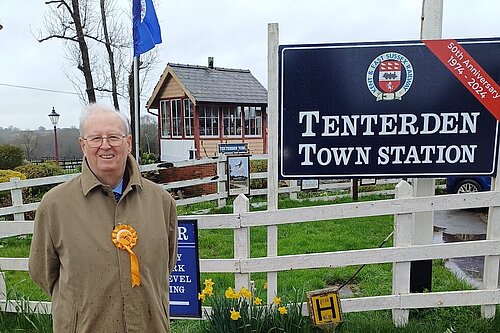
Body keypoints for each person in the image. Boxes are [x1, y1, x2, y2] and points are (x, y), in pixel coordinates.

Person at [29, 103, 178, 333]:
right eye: (96, 138)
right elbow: (42, 273)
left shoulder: (161, 202)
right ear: (83, 145)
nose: (105, 145)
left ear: (128, 143)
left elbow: (165, 266)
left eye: (114, 137)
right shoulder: (54, 206)